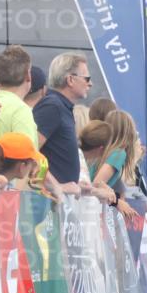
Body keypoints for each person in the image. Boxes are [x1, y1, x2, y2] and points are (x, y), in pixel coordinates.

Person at [33, 52, 90, 190]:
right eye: (87, 78)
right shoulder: (53, 106)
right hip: (45, 203)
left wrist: (77, 186)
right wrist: (57, 186)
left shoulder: (61, 107)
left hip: (56, 202)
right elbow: (29, 153)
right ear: (70, 80)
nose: (90, 83)